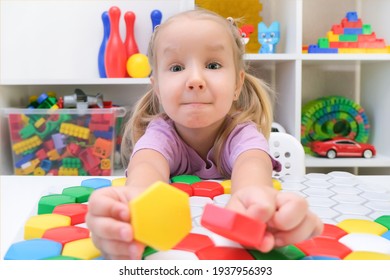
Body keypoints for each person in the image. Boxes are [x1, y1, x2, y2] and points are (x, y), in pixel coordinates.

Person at [86, 8, 323, 260]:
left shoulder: (243, 133)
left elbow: (253, 163)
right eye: (176, 68)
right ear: (157, 88)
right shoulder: (160, 134)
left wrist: (255, 200)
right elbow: (147, 165)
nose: (195, 80)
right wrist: (135, 203)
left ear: (237, 84)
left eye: (213, 65)